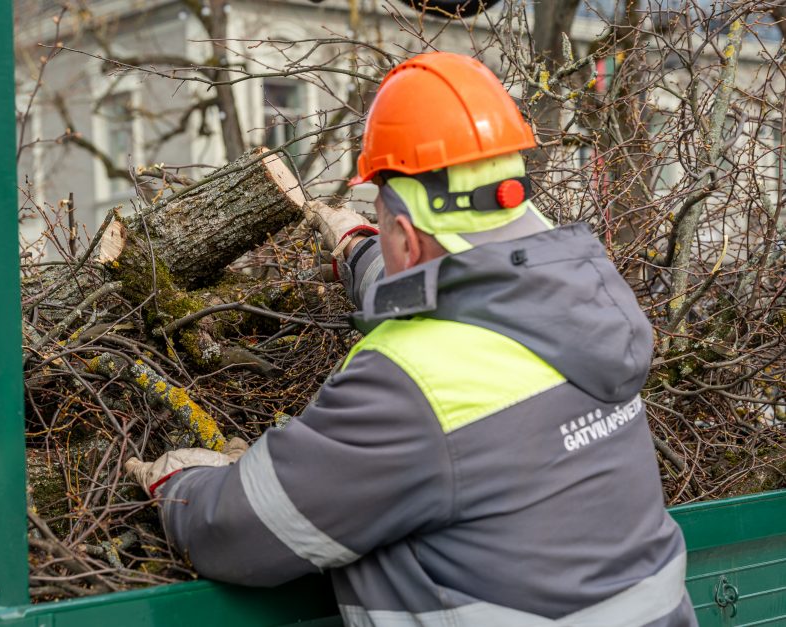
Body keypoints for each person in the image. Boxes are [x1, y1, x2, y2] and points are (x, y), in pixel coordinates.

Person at [125, 52, 696, 626]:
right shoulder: (587, 302)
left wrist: (185, 481)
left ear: (404, 231)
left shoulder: (415, 385)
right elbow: (466, 287)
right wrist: (358, 252)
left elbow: (236, 532)